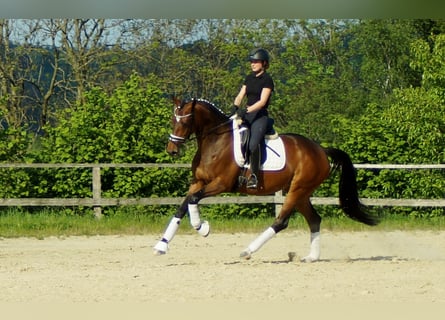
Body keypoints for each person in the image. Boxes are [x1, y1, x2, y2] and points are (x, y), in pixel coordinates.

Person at [231, 48, 275, 189]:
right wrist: (235, 105)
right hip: (247, 115)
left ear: (264, 63)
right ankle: (239, 172)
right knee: (238, 141)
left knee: (253, 144)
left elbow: (262, 102)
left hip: (260, 116)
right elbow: (241, 94)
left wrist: (246, 110)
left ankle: (254, 176)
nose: (252, 64)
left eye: (255, 62)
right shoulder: (249, 78)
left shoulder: (267, 80)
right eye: (251, 62)